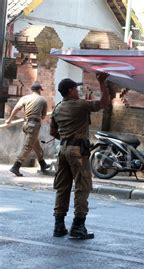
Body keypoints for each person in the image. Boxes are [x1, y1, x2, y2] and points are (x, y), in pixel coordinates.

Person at [49, 73, 110, 239]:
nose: (78, 91)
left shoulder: (58, 107)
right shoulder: (80, 105)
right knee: (82, 187)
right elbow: (104, 103)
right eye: (76, 89)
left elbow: (52, 132)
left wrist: (68, 138)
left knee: (62, 188)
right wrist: (102, 82)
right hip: (78, 152)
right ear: (70, 91)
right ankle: (78, 226)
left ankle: (59, 225)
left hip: (62, 151)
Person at [5, 83, 50, 176]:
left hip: (25, 125)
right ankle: (16, 166)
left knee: (35, 144)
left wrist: (9, 120)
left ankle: (42, 164)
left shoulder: (25, 98)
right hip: (34, 125)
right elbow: (43, 116)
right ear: (39, 90)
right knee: (27, 147)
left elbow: (16, 109)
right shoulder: (42, 100)